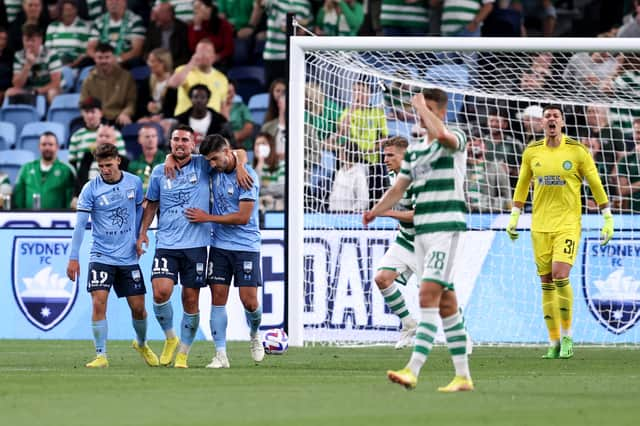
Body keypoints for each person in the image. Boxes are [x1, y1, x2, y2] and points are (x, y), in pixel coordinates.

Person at [363, 89, 473, 392]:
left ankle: (413, 369)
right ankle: (463, 376)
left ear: (439, 111)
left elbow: (444, 137)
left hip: (447, 228)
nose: (422, 116)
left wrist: (421, 107)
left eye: (428, 109)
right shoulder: (415, 154)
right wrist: (376, 210)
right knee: (446, 300)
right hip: (421, 234)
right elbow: (398, 190)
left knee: (427, 295)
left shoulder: (455, 138)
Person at [506, 104, 614, 359]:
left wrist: (606, 217)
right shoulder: (532, 152)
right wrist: (514, 215)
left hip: (567, 224)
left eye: (556, 116)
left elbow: (595, 183)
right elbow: (522, 184)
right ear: (542, 123)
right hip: (539, 225)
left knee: (559, 274)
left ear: (563, 123)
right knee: (545, 283)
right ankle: (553, 341)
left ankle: (567, 337)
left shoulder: (577, 151)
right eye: (547, 116)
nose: (551, 119)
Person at [66, 143, 159, 368]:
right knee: (99, 303)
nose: (105, 170)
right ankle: (101, 355)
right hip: (101, 255)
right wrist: (73, 257)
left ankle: (142, 343)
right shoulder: (90, 189)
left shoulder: (134, 183)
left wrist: (140, 237)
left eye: (108, 165)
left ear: (118, 160)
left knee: (138, 308)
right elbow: (80, 226)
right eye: (101, 166)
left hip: (127, 256)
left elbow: (139, 211)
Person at [183, 134, 264, 368]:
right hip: (219, 246)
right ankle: (220, 354)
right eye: (209, 160)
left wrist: (206, 217)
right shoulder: (219, 168)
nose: (212, 165)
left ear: (227, 152)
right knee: (218, 298)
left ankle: (255, 333)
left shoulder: (248, 177)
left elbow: (243, 217)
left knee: (249, 302)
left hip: (246, 246)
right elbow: (238, 152)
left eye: (215, 159)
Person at [136, 124, 210, 369]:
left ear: (193, 142)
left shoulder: (203, 165)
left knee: (190, 299)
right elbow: (152, 204)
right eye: (176, 139)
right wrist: (143, 232)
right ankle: (170, 338)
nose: (180, 144)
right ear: (170, 143)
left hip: (196, 245)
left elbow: (236, 154)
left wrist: (240, 165)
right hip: (167, 243)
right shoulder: (159, 171)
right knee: (160, 292)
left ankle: (183, 354)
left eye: (185, 140)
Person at [371, 136, 418, 349]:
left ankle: (461, 335)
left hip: (427, 242)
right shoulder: (392, 175)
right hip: (405, 239)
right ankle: (408, 324)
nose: (385, 159)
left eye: (390, 155)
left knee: (438, 295)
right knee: (382, 278)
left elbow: (419, 215)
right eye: (384, 155)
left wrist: (386, 212)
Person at [12, 131, 75, 209]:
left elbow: (70, 200)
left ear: (57, 147)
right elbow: (18, 197)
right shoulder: (26, 168)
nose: (47, 148)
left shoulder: (66, 170)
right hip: (29, 219)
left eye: (50, 144)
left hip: (56, 219)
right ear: (39, 146)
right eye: (44, 144)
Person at [80, 42, 137, 126]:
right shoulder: (89, 80)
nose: (103, 61)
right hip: (96, 119)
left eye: (107, 57)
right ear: (95, 59)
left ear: (114, 58)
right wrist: (90, 115)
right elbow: (83, 103)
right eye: (100, 58)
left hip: (118, 118)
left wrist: (126, 113)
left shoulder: (126, 77)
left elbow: (131, 102)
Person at [168, 38, 228, 116]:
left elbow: (223, 106)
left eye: (207, 52)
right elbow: (172, 84)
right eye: (200, 52)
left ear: (213, 57)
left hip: (211, 123)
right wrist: (191, 64)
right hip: (185, 121)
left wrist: (226, 124)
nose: (203, 55)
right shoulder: (184, 70)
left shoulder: (222, 78)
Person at [7, 23, 62, 104]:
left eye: (33, 40)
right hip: (29, 90)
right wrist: (28, 65)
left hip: (48, 89)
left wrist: (36, 92)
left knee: (52, 93)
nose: (29, 44)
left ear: (40, 40)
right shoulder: (18, 55)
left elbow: (55, 83)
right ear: (22, 40)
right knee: (10, 92)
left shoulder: (51, 54)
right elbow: (17, 84)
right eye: (27, 40)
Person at [68, 97, 126, 170]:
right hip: (85, 179)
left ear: (101, 113)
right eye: (86, 112)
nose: (89, 115)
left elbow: (122, 160)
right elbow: (72, 164)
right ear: (82, 114)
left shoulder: (114, 133)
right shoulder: (76, 136)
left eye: (93, 112)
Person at [86, 0, 146, 67]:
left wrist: (117, 59)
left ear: (125, 2)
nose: (113, 2)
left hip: (124, 62)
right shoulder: (98, 21)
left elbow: (136, 50)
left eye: (117, 0)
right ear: (106, 3)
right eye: (110, 0)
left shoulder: (135, 21)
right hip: (101, 60)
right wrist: (100, 59)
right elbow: (90, 48)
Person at [44, 0, 91, 68]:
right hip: (54, 66)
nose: (69, 13)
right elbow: (47, 51)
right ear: (61, 11)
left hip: (75, 66)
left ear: (76, 10)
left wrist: (73, 65)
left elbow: (84, 53)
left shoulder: (83, 27)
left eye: (72, 10)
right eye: (66, 10)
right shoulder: (52, 26)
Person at [143, 3, 189, 68]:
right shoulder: (152, 27)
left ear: (169, 14)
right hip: (153, 64)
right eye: (155, 13)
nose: (154, 17)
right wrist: (151, 62)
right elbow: (146, 51)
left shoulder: (182, 29)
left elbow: (185, 57)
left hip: (175, 65)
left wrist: (168, 66)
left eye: (159, 13)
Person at [327, 141, 369, 212]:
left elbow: (363, 201)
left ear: (348, 153)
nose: (339, 154)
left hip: (348, 214)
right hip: (333, 212)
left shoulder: (359, 174)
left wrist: (351, 212)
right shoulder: (340, 171)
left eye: (341, 152)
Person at [128, 124, 165, 192]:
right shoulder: (133, 164)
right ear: (139, 139)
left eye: (154, 136)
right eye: (147, 137)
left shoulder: (167, 159)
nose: (151, 139)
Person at [253, 132, 284, 211]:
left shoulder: (281, 165)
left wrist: (263, 188)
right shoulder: (251, 168)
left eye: (263, 143)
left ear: (271, 146)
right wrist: (260, 164)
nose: (259, 147)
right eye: (257, 144)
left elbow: (282, 189)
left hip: (277, 208)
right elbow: (252, 190)